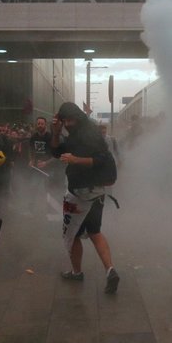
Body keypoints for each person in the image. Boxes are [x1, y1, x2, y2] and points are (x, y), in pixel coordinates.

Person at [51, 102, 120, 294]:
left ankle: (77, 272)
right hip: (92, 192)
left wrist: (76, 160)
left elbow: (101, 159)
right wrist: (56, 133)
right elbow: (57, 152)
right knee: (94, 231)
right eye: (65, 121)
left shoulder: (89, 132)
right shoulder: (74, 132)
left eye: (69, 120)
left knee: (72, 234)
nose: (67, 123)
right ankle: (110, 270)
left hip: (82, 192)